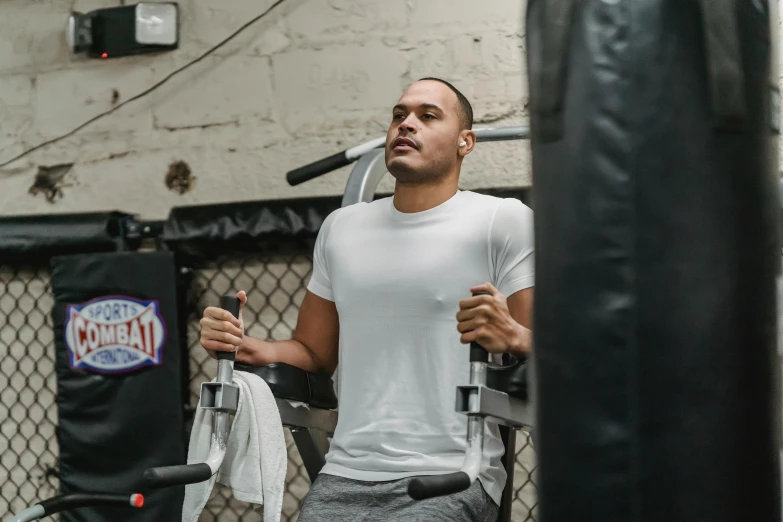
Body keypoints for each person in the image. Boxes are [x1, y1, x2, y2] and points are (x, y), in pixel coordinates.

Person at [199, 77, 535, 522]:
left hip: (451, 474)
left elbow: (553, 350)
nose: (406, 124)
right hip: (345, 475)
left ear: (465, 142)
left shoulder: (501, 220)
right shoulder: (343, 228)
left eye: (427, 115)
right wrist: (247, 344)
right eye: (399, 115)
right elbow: (315, 353)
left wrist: (512, 334)